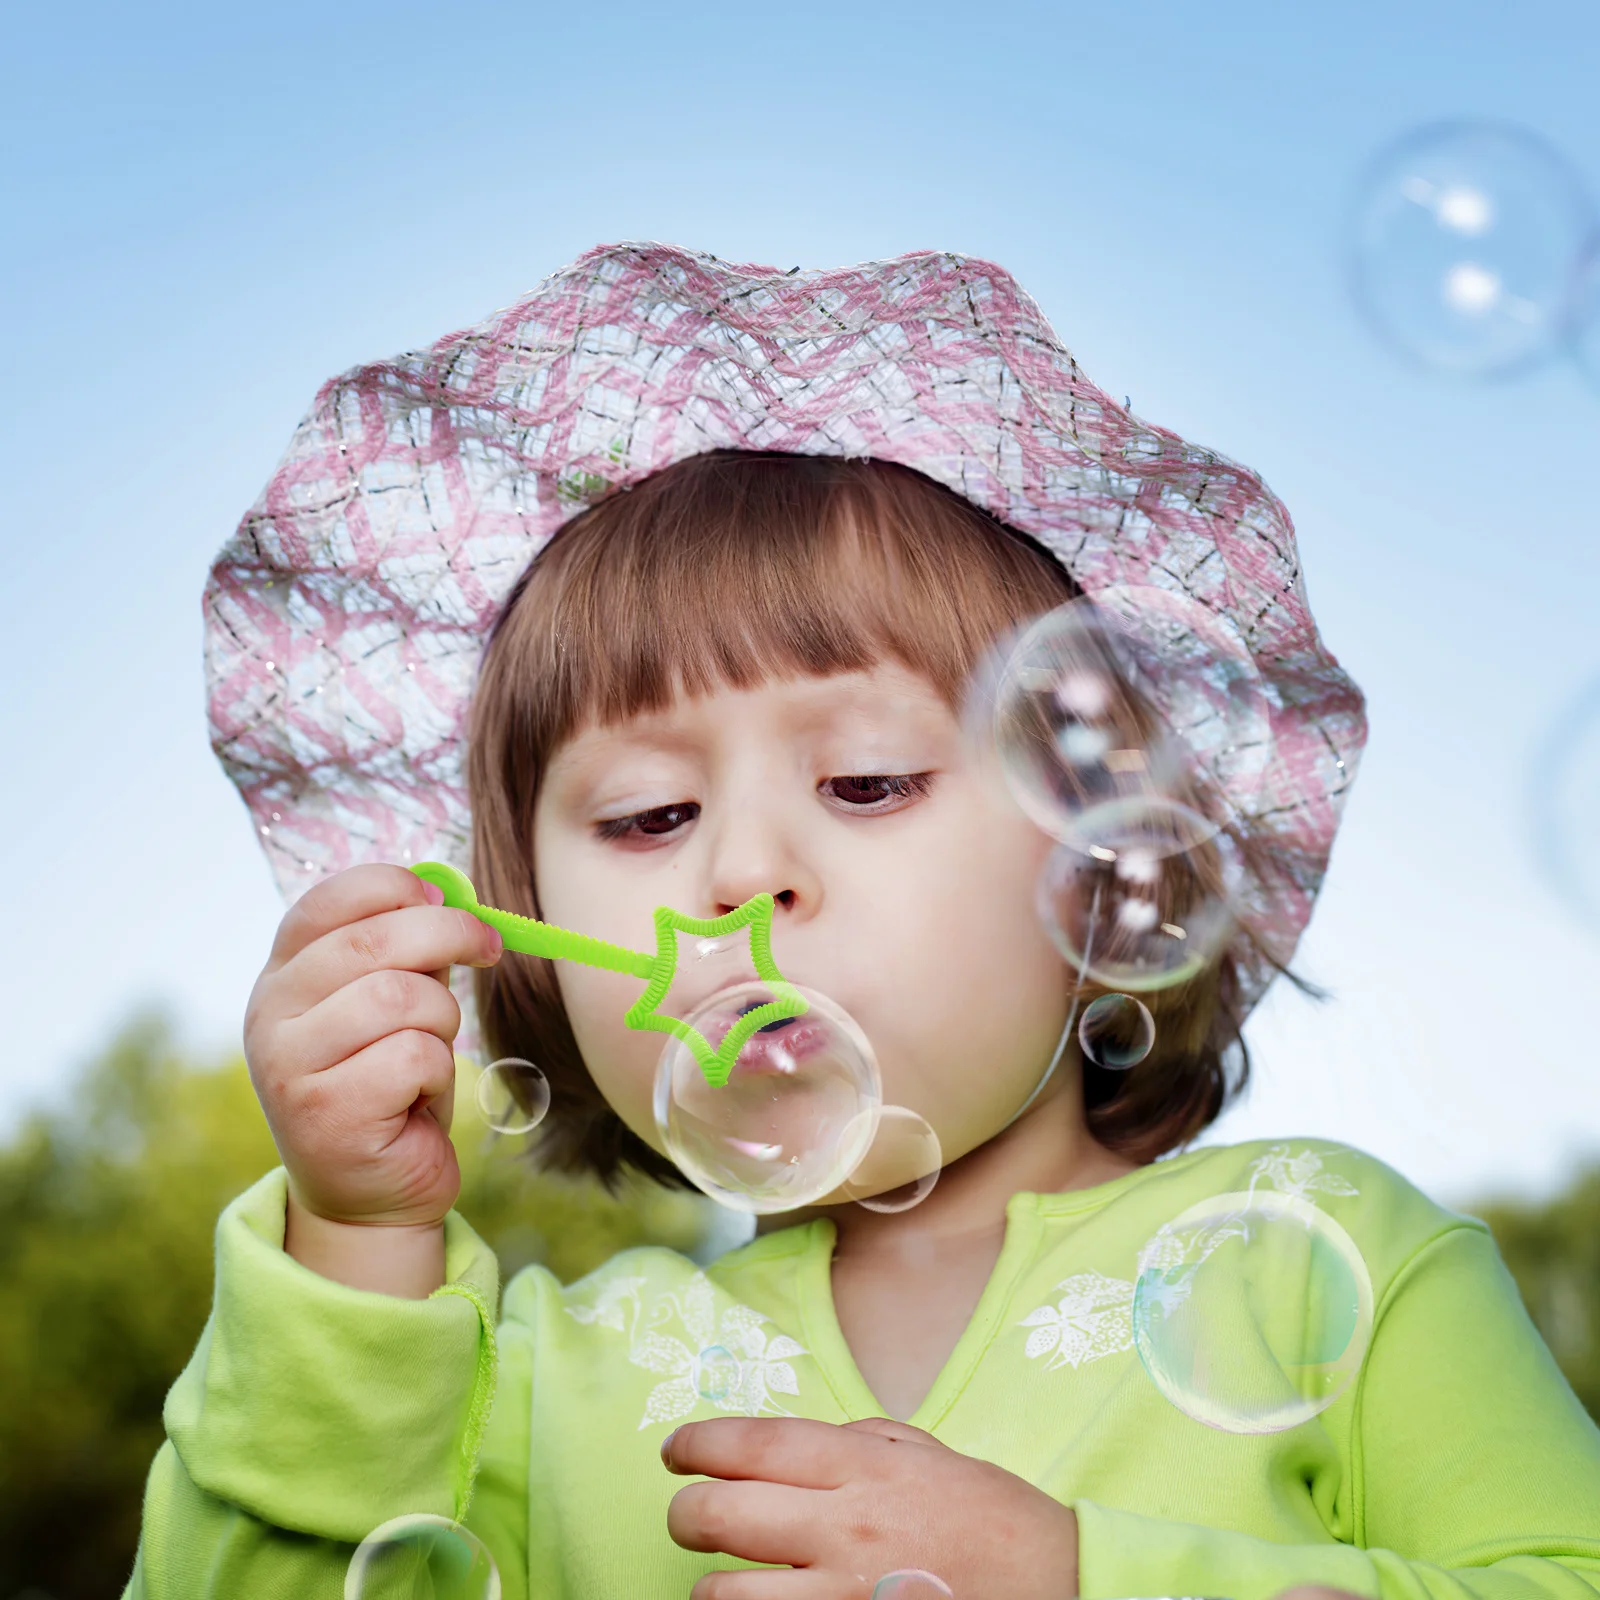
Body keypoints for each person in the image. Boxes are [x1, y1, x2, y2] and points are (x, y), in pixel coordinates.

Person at [127, 244, 1600, 1598]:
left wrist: (1069, 1578)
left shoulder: (1323, 1255)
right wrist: (355, 1246)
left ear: (1109, 862)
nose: (741, 873)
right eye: (646, 815)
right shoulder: (524, 1386)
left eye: (867, 781)